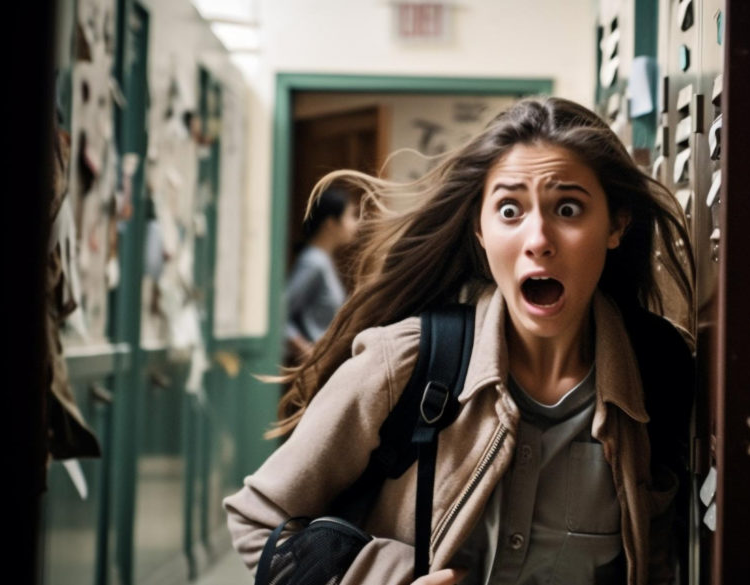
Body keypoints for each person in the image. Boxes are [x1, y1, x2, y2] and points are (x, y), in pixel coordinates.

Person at [224, 97, 695, 585]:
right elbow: (257, 518)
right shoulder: (406, 363)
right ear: (480, 228)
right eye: (510, 210)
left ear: (616, 224)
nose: (538, 238)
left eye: (568, 209)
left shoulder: (657, 373)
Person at [284, 186, 359, 361]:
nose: (355, 224)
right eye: (350, 216)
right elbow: (279, 315)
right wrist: (307, 351)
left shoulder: (323, 260)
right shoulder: (313, 262)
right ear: (330, 223)